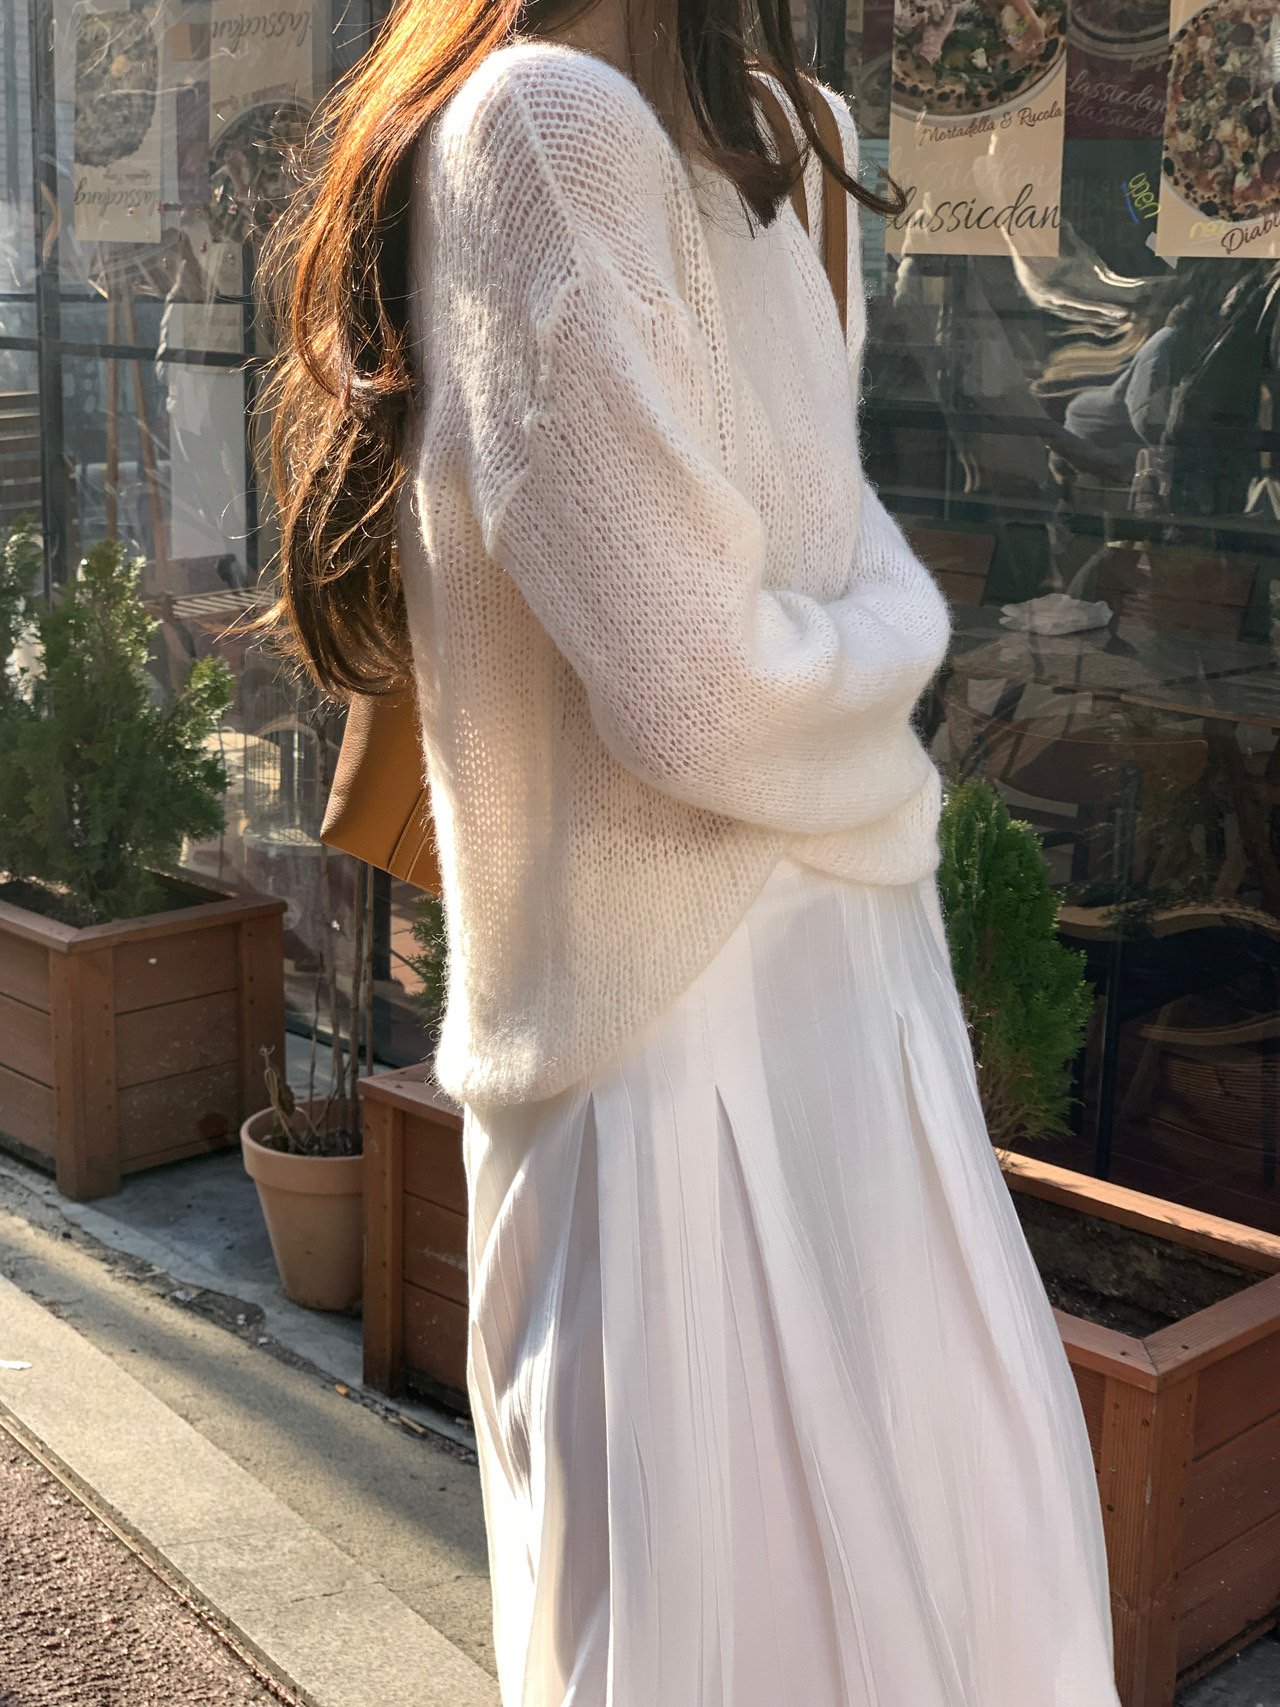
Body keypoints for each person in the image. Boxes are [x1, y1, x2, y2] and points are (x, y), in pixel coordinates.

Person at [259, 0, 1124, 1699]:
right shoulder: (544, 129)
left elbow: (792, 588)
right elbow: (699, 687)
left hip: (842, 1013)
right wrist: (897, 644)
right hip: (676, 1056)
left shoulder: (799, 142)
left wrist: (849, 644)